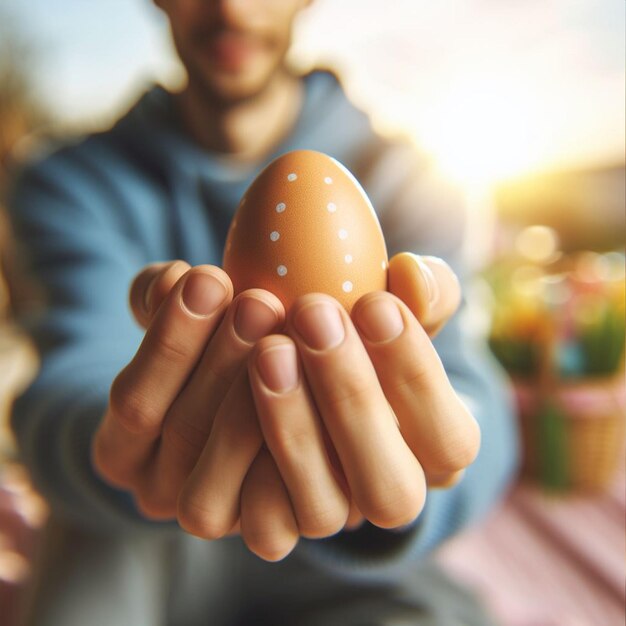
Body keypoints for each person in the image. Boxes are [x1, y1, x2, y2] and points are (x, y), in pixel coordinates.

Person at [6, 1, 519, 624]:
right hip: (131, 530)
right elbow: (72, 369)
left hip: (351, 568)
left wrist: (423, 455)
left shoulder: (412, 178)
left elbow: (472, 390)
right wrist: (119, 442)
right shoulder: (70, 181)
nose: (230, 5)